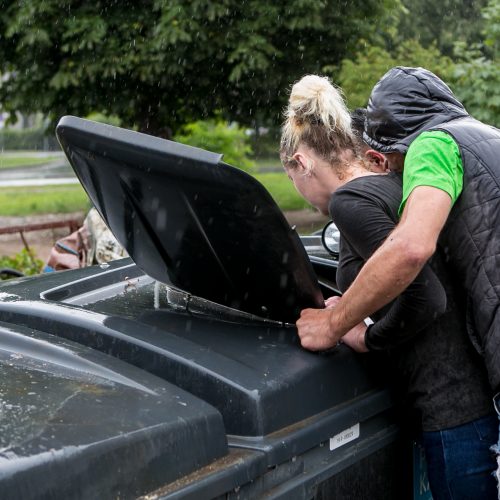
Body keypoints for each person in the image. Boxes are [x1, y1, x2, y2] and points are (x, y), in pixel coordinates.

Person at [280, 74, 497, 499]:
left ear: (302, 164)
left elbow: (420, 279)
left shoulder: (356, 197)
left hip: (450, 409)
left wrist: (352, 330)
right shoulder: (402, 184)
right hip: (480, 391)